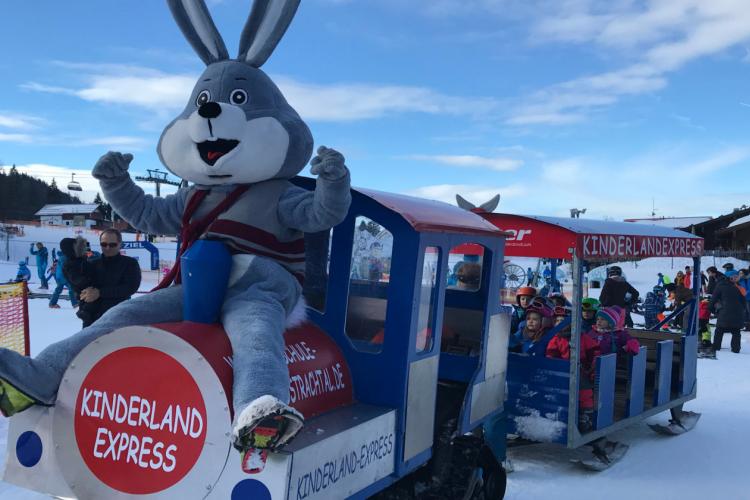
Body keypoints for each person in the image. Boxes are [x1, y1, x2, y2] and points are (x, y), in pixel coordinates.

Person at [546, 306, 600, 432]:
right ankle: (559, 415)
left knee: (584, 392)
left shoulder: (582, 337)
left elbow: (595, 351)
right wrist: (556, 368)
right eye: (557, 321)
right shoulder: (555, 339)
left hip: (581, 371)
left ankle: (585, 414)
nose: (560, 324)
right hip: (562, 372)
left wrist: (591, 366)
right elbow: (551, 356)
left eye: (563, 321)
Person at [77, 229, 141, 324]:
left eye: (112, 245)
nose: (107, 248)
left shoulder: (129, 263)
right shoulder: (92, 263)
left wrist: (100, 293)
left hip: (117, 317)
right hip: (92, 318)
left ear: (120, 244)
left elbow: (130, 287)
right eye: (104, 244)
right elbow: (81, 287)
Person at [61, 237, 101, 327]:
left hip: (91, 299)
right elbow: (78, 280)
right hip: (86, 298)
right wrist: (95, 281)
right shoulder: (71, 264)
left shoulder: (80, 261)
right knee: (91, 328)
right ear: (73, 250)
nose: (84, 250)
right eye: (81, 248)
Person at [710, 270, 746, 354]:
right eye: (735, 276)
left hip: (724, 313)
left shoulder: (721, 285)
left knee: (720, 330)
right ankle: (736, 349)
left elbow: (713, 300)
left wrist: (713, 310)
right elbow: (744, 302)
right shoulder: (738, 287)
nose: (737, 278)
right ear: (729, 277)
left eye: (737, 276)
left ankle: (716, 347)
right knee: (736, 331)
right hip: (736, 313)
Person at [49, 238, 79, 310]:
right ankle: (75, 303)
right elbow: (67, 268)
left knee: (58, 289)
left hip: (59, 276)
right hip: (65, 277)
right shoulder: (66, 257)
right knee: (71, 290)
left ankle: (52, 303)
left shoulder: (62, 256)